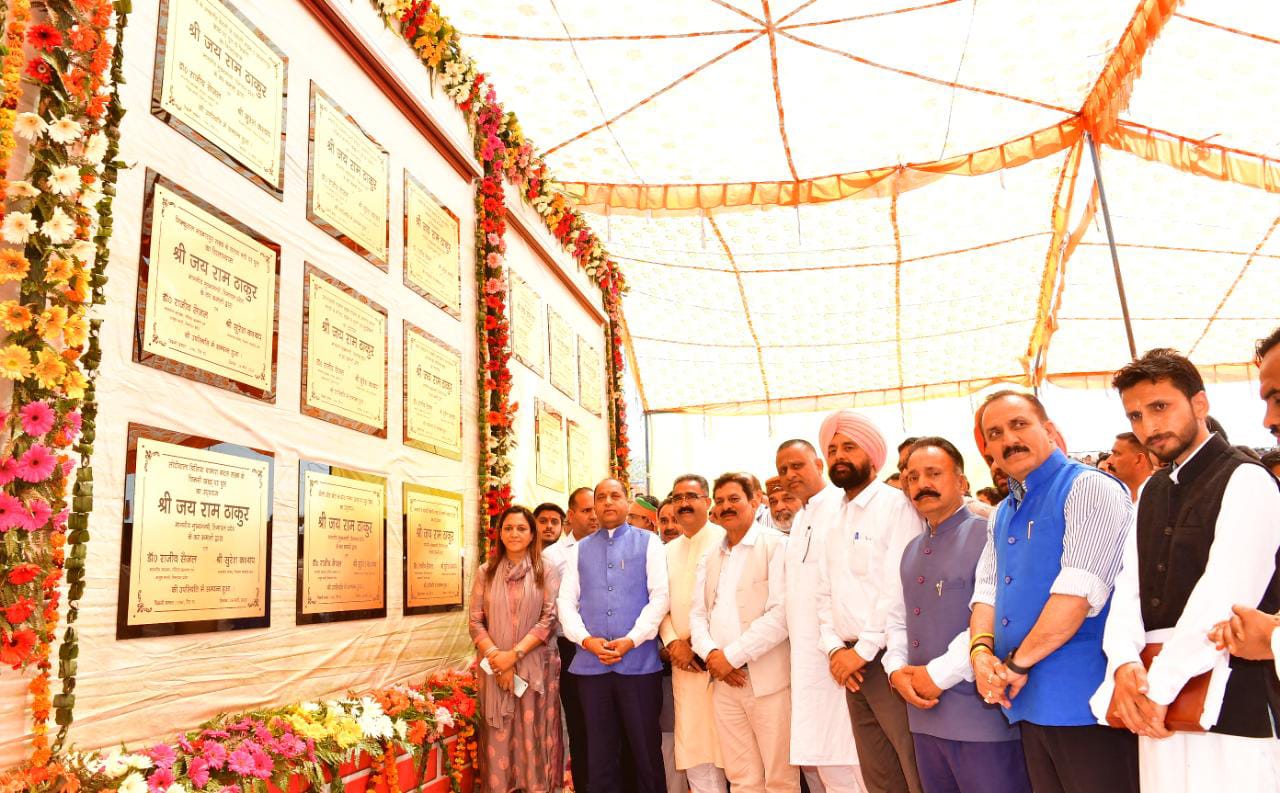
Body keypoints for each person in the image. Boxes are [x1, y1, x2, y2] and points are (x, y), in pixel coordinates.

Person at [1096, 349, 1280, 791]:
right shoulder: (1152, 490)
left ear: (1200, 403)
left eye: (1160, 407)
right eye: (1136, 415)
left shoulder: (1247, 479)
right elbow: (1128, 587)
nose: (1149, 426)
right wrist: (1123, 663)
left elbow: (1224, 598)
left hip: (1231, 696)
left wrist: (1157, 690)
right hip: (1154, 698)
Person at [969, 391, 1137, 793]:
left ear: (1048, 430)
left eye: (1019, 424)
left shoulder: (1088, 488)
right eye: (995, 433)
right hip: (1027, 701)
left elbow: (1076, 596)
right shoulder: (1003, 511)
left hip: (1086, 702)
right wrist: (980, 655)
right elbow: (987, 591)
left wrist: (1015, 666)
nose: (1009, 439)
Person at [886, 438, 1030, 793]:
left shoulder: (989, 535)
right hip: (923, 717)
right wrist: (896, 670)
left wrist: (937, 675)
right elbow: (899, 618)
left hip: (982, 719)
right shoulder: (911, 549)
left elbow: (996, 616)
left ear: (962, 482)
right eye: (912, 477)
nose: (922, 484)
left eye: (933, 473)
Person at [814, 410, 925, 793]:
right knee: (877, 772)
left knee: (911, 765)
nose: (839, 456)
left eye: (849, 447)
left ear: (872, 455)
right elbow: (824, 591)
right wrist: (834, 648)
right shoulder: (833, 516)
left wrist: (861, 652)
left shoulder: (896, 507)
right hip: (849, 663)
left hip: (887, 658)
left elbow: (897, 587)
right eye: (832, 450)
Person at [558, 478, 670, 793]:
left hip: (639, 666)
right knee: (599, 754)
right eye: (601, 497)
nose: (608, 502)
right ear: (594, 505)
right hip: (591, 669)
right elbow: (565, 602)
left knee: (645, 752)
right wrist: (585, 640)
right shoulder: (578, 550)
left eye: (615, 496)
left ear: (627, 501)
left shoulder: (649, 543)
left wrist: (632, 639)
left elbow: (660, 597)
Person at [690, 473, 798, 793]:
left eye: (734, 499)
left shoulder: (776, 546)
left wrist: (732, 657)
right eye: (720, 501)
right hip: (724, 682)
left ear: (754, 501)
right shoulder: (711, 555)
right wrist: (712, 655)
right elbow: (698, 614)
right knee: (741, 777)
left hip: (768, 680)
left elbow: (781, 615)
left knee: (780, 778)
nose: (726, 506)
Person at [775, 439, 864, 793]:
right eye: (783, 470)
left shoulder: (841, 509)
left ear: (818, 465)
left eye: (797, 465)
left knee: (856, 760)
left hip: (839, 657)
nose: (789, 475)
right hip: (807, 661)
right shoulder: (801, 518)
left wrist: (843, 648)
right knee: (827, 763)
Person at [469, 505, 563, 793]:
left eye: (521, 528)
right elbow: (475, 621)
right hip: (494, 669)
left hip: (536, 669)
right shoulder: (486, 572)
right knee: (499, 734)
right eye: (508, 528)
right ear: (499, 533)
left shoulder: (545, 570)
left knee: (533, 734)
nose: (514, 534)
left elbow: (549, 619)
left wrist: (513, 656)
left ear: (532, 534)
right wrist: (498, 659)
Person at [658, 475, 728, 793]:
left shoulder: (726, 540)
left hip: (720, 662)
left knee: (735, 753)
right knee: (696, 753)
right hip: (683, 666)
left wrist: (699, 645)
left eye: (691, 496)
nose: (684, 503)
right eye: (677, 498)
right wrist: (673, 642)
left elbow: (731, 601)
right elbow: (658, 603)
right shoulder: (666, 551)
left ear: (707, 502)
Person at [542, 487, 598, 793]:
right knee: (579, 723)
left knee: (605, 722)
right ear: (571, 516)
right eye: (587, 510)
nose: (594, 516)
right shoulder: (551, 556)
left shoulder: (608, 547)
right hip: (570, 648)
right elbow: (547, 608)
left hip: (607, 646)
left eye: (596, 510)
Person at [1108, 432, 1153, 502]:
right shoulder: (1109, 496)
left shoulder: (1161, 498)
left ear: (1139, 459)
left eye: (1117, 454)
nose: (1108, 461)